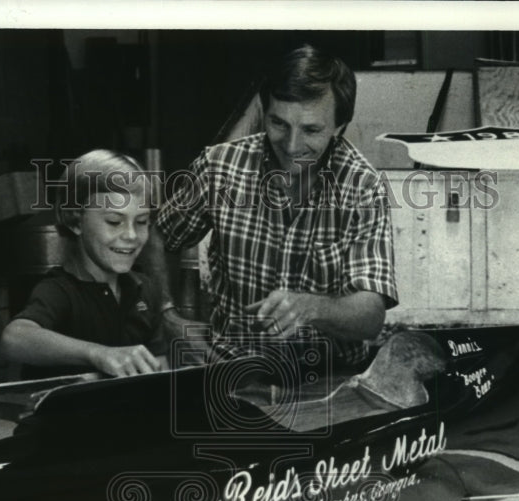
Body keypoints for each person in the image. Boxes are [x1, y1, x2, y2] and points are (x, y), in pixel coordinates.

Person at [148, 44, 398, 370]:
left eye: (311, 130)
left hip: (330, 379)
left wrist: (312, 308)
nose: (292, 146)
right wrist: (168, 317)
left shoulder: (364, 187)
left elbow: (371, 316)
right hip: (232, 374)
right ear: (264, 112)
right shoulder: (219, 167)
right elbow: (154, 236)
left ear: (339, 127)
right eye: (278, 123)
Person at [0, 149, 165, 379]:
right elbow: (14, 339)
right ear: (75, 220)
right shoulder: (59, 291)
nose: (131, 235)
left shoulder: (144, 289)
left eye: (141, 221)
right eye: (114, 221)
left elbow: (159, 366)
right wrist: (98, 354)